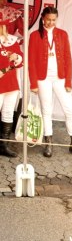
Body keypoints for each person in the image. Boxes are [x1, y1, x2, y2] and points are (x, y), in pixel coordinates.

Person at [28, 7, 72, 158]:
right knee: (46, 110)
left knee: (69, 109)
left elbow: (68, 58)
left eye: (54, 19)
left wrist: (68, 81)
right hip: (43, 79)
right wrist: (33, 83)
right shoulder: (35, 36)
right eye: (48, 19)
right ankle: (49, 142)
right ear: (42, 18)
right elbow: (31, 61)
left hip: (59, 78)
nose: (51, 22)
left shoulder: (62, 34)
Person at [0, 14, 23, 157]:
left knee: (8, 112)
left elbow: (21, 62)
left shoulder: (13, 41)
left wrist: (16, 58)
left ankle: (4, 145)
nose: (4, 28)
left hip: (11, 82)